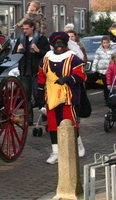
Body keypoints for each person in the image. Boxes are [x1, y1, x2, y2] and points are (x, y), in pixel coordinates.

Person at [36, 32, 87, 164]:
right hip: (52, 97)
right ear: (52, 44)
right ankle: (55, 152)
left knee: (70, 122)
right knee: (52, 124)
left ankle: (78, 144)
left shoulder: (73, 58)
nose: (59, 45)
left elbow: (81, 75)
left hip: (69, 96)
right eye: (56, 43)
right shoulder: (46, 59)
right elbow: (41, 76)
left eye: (61, 42)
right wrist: (40, 91)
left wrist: (67, 79)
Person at [12, 19, 50, 123]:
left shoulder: (42, 39)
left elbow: (48, 53)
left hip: (37, 71)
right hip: (25, 71)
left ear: (32, 28)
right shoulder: (21, 39)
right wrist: (17, 50)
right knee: (26, 96)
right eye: (23, 29)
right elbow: (14, 54)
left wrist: (38, 50)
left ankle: (44, 114)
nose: (25, 31)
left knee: (38, 94)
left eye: (27, 29)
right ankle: (29, 119)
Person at [91, 35, 116, 103]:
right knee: (105, 85)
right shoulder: (99, 50)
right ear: (102, 43)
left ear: (109, 42)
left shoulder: (114, 49)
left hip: (111, 69)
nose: (106, 44)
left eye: (107, 42)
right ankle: (107, 99)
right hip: (102, 70)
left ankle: (112, 97)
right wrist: (94, 69)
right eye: (104, 43)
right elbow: (96, 60)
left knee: (112, 84)